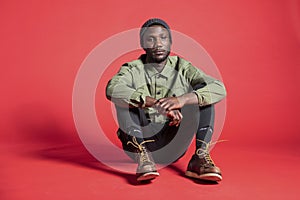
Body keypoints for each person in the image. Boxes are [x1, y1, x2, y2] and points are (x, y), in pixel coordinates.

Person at [106, 18, 226, 182]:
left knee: (203, 97)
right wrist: (155, 103)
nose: (158, 44)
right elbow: (112, 88)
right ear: (143, 43)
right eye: (151, 39)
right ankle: (144, 158)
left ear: (170, 42)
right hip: (140, 143)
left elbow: (219, 88)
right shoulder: (132, 69)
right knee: (125, 99)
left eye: (163, 38)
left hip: (174, 144)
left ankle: (200, 158)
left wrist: (182, 100)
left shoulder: (182, 67)